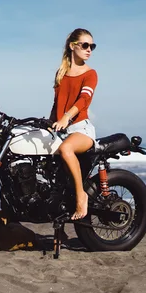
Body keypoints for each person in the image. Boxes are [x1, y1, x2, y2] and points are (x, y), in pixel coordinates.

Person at [50, 28, 98, 220]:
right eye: (85, 45)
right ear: (73, 46)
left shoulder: (90, 74)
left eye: (92, 46)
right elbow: (56, 104)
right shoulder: (61, 73)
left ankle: (81, 196)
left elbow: (84, 100)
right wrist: (50, 121)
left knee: (67, 149)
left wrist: (66, 117)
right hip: (61, 129)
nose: (89, 50)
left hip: (81, 129)